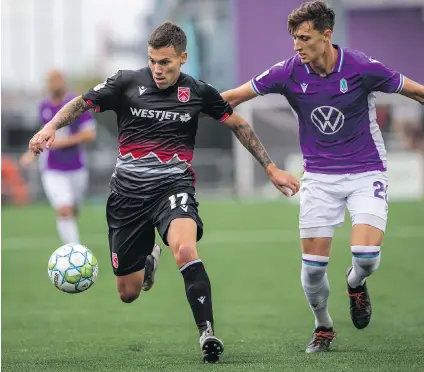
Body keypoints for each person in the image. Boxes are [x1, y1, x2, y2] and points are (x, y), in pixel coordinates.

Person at [28, 22, 300, 363]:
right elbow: (81, 103)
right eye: (153, 61)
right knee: (128, 293)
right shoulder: (126, 82)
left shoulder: (198, 91)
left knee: (185, 248)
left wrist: (271, 168)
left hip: (173, 188)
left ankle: (207, 333)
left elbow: (239, 124)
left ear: (182, 58)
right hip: (127, 196)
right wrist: (50, 127)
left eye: (166, 62)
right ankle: (148, 257)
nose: (158, 69)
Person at [220, 0, 424, 353]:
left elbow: (419, 92)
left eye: (304, 38)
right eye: (294, 38)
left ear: (327, 36)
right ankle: (323, 327)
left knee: (366, 257)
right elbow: (233, 97)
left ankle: (355, 283)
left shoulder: (362, 67)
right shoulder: (287, 71)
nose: (297, 46)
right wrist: (183, 110)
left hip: (365, 171)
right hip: (319, 179)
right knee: (312, 270)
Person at [21, 69, 96, 244]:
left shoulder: (77, 104)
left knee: (73, 209)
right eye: (50, 80)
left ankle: (71, 239)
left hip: (76, 167)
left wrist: (62, 142)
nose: (53, 84)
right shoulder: (44, 107)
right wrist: (31, 153)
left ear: (63, 81)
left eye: (56, 79)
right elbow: (44, 133)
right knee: (64, 208)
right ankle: (73, 250)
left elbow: (89, 135)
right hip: (52, 168)